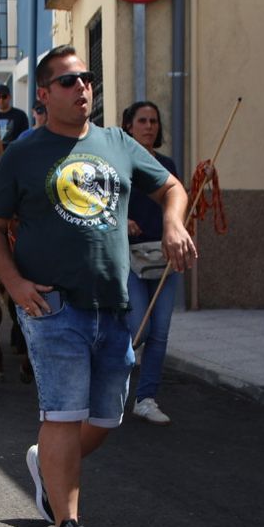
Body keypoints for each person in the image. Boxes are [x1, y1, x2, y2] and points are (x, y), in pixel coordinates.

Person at [0, 45, 197, 527]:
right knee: (63, 414)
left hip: (113, 307)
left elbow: (171, 187)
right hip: (52, 306)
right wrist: (15, 283)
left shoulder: (117, 143)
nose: (83, 89)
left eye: (88, 79)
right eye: (70, 82)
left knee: (104, 418)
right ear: (45, 95)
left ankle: (43, 464)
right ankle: (66, 526)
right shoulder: (25, 153)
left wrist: (173, 222)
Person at [121, 101, 182, 426]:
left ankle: (145, 399)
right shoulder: (119, 163)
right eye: (142, 120)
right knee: (137, 330)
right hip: (128, 259)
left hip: (163, 259)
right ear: (129, 126)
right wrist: (123, 220)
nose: (149, 126)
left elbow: (177, 203)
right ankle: (109, 385)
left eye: (154, 121)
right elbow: (101, 205)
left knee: (160, 333)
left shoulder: (167, 165)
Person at [0, 83, 30, 149]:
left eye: (4, 96)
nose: (1, 100)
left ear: (9, 97)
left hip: (14, 154)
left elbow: (25, 137)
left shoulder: (20, 115)